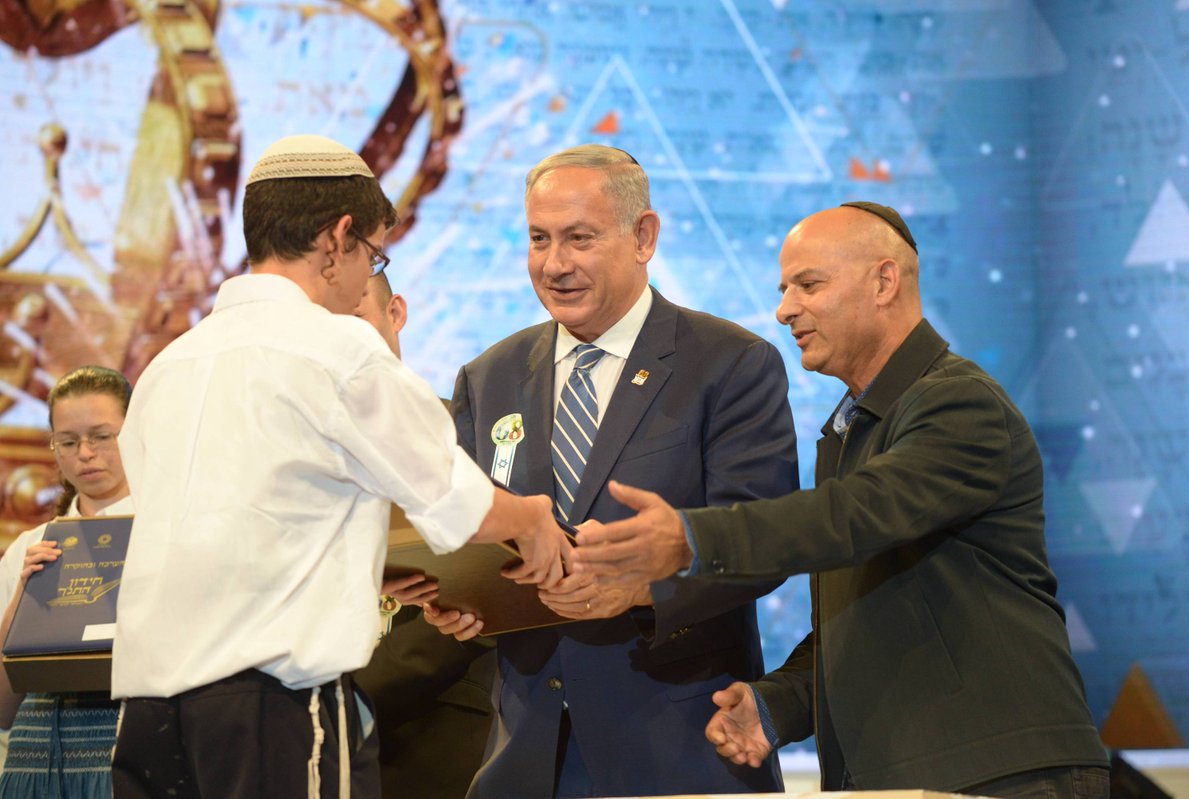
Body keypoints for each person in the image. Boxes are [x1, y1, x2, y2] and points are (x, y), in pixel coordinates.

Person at [570, 202, 1112, 798]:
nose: (784, 310)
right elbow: (870, 617)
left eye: (808, 285)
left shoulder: (961, 404)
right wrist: (777, 705)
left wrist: (692, 538)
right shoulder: (853, 430)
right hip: (908, 776)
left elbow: (853, 514)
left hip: (1002, 775)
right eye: (783, 290)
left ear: (884, 282)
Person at [107, 134, 571, 799]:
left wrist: (367, 567)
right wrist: (532, 518)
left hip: (148, 710)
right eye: (373, 255)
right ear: (337, 239)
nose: (363, 282)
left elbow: (216, 532)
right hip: (270, 704)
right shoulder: (336, 347)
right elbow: (455, 498)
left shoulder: (167, 367)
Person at [426, 144, 799, 798]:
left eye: (580, 238)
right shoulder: (489, 378)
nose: (554, 264)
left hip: (681, 754)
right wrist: (459, 601)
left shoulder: (730, 364)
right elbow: (468, 533)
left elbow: (763, 541)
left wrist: (642, 589)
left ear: (644, 237)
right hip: (526, 759)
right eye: (539, 239)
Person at [350, 273, 497, 799]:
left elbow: (483, 585)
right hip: (303, 732)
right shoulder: (293, 450)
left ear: (396, 313)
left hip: (433, 726)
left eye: (355, 318)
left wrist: (349, 699)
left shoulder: (463, 432)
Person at [0, 365, 133, 797]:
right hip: (36, 765)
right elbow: (2, 710)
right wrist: (24, 601)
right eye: (69, 442)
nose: (86, 454)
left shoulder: (166, 536)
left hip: (133, 758)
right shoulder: (29, 547)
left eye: (102, 436)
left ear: (137, 433)